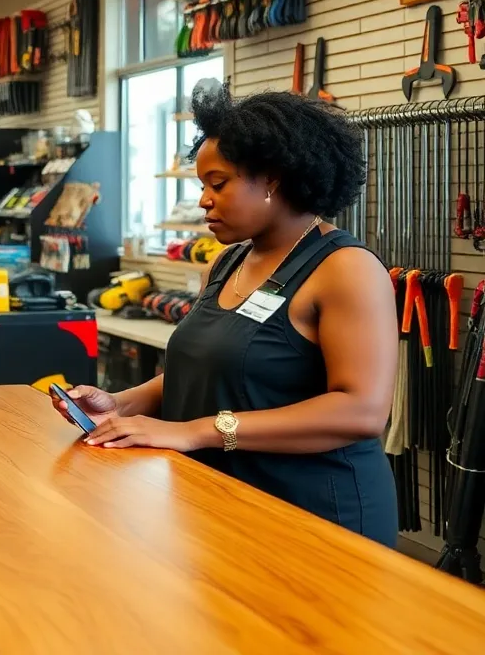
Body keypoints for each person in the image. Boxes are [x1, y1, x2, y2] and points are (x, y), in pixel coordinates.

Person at [54, 88, 398, 546]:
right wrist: (121, 404)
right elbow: (210, 368)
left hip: (315, 514)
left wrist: (197, 432)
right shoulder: (227, 263)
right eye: (202, 187)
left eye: (218, 184)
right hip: (223, 502)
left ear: (273, 179)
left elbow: (361, 411)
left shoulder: (345, 269)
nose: (203, 201)